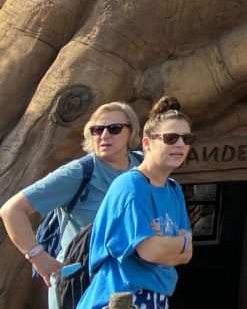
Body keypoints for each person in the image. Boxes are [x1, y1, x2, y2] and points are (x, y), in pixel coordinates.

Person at [2, 103, 142, 309]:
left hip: (128, 283)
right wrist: (38, 257)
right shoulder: (78, 172)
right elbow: (11, 210)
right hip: (80, 287)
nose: (104, 135)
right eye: (97, 130)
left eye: (114, 128)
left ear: (131, 132)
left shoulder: (142, 165)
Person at [79, 97, 194, 309]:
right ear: (147, 144)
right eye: (170, 138)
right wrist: (180, 241)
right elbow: (150, 251)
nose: (180, 144)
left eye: (186, 139)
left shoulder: (174, 190)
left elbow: (187, 256)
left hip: (156, 299)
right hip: (118, 300)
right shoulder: (131, 187)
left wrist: (175, 245)